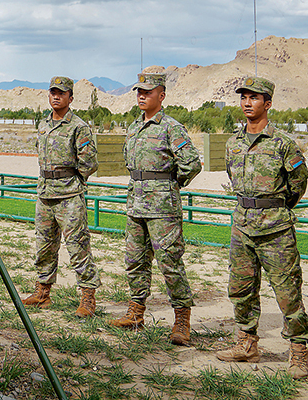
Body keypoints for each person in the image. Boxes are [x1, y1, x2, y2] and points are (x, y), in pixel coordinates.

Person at [215, 77, 308, 379]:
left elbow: (298, 184)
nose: (247, 102)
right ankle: (247, 343)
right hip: (242, 225)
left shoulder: (283, 144)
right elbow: (233, 176)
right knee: (241, 288)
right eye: (243, 97)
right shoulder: (232, 142)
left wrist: (276, 208)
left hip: (275, 229)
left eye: (254, 98)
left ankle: (298, 349)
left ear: (267, 104)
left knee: (287, 291)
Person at [109, 71, 201, 345]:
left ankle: (182, 321)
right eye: (139, 91)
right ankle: (136, 313)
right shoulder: (134, 127)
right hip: (136, 204)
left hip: (163, 209)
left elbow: (192, 164)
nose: (141, 96)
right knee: (135, 261)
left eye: (147, 92)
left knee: (170, 264)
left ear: (161, 95)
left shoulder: (171, 127)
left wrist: (170, 186)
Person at [21, 76, 102, 318]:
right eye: (53, 92)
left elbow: (89, 162)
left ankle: (88, 298)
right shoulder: (44, 124)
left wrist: (73, 181)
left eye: (61, 93)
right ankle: (43, 293)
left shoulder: (78, 126)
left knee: (78, 247)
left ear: (71, 98)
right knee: (44, 245)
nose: (56, 96)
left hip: (69, 196)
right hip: (45, 194)